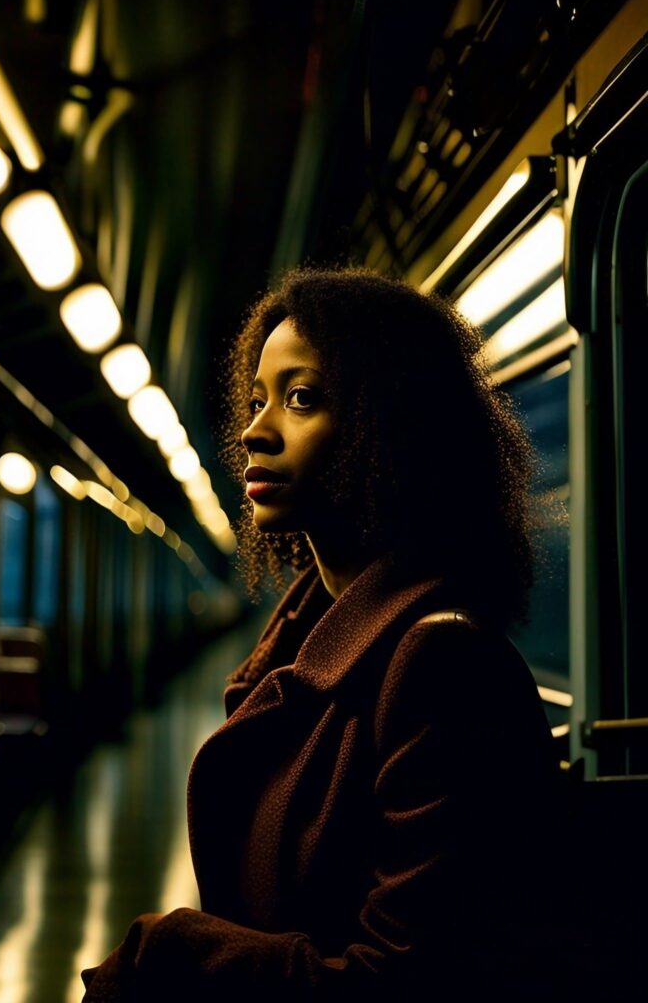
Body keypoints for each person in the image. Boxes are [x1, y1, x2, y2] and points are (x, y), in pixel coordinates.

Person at [81, 266, 567, 1001]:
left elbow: (402, 982)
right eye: (254, 401)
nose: (253, 430)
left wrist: (181, 952)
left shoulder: (444, 669)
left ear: (389, 425)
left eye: (301, 399)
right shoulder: (301, 650)